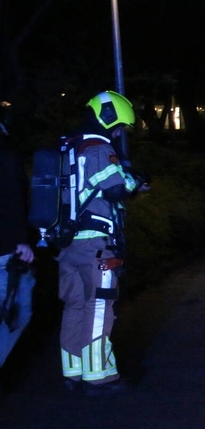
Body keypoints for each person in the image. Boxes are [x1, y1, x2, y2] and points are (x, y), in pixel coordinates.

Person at [57, 91, 145, 393]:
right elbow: (116, 188)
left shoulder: (69, 146)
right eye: (119, 127)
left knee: (75, 305)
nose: (119, 133)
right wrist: (136, 181)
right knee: (98, 307)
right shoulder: (98, 148)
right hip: (97, 245)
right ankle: (99, 376)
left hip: (68, 244)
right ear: (109, 119)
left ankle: (73, 371)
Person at [0, 101, 35, 372]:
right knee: (18, 313)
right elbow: (12, 197)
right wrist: (21, 241)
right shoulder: (6, 156)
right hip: (6, 254)